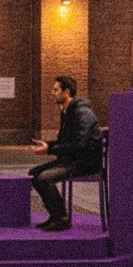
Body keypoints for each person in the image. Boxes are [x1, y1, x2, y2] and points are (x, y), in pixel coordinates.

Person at [28, 75, 102, 232]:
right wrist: (48, 145)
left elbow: (80, 145)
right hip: (70, 159)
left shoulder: (82, 113)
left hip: (84, 163)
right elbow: (63, 141)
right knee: (33, 174)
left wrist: (50, 149)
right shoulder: (67, 112)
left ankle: (61, 218)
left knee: (44, 178)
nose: (52, 93)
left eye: (56, 89)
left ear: (66, 92)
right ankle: (56, 215)